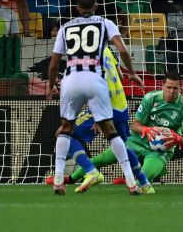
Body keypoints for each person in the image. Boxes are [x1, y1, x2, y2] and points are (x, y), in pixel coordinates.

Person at [46, 0, 145, 195]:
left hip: (71, 79)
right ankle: (130, 180)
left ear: (76, 8)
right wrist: (133, 72)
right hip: (94, 78)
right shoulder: (105, 23)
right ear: (96, 6)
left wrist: (50, 85)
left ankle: (58, 180)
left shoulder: (65, 27)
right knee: (110, 131)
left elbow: (54, 63)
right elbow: (123, 50)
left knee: (65, 128)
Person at [45, 46, 154, 194]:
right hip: (120, 104)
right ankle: (145, 183)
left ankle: (91, 171)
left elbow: (98, 81)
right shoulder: (107, 49)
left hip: (104, 105)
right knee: (122, 146)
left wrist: (98, 115)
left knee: (65, 134)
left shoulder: (88, 54)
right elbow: (120, 77)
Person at [67, 71, 183, 188]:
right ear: (162, 86)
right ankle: (70, 179)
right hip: (136, 141)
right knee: (100, 159)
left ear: (180, 88)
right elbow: (135, 126)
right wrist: (147, 130)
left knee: (144, 179)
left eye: (175, 88)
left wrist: (178, 139)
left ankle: (132, 181)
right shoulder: (151, 98)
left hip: (159, 151)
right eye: (169, 87)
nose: (171, 91)